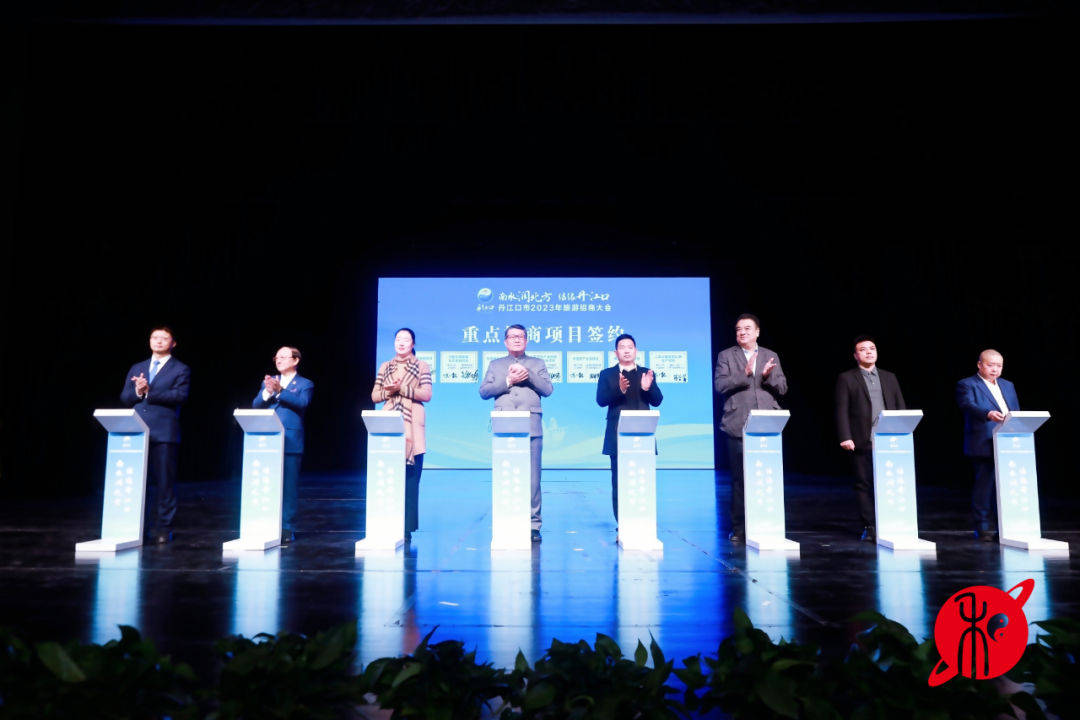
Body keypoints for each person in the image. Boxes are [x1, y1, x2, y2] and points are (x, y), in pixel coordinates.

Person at [713, 314, 787, 544]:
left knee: (767, 477)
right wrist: (744, 374)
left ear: (757, 332)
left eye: (747, 328)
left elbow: (783, 388)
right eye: (738, 329)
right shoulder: (726, 355)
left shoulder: (770, 355)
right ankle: (739, 528)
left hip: (767, 423)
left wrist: (767, 376)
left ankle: (767, 524)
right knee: (740, 479)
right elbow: (720, 385)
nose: (742, 332)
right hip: (737, 423)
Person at [479, 324, 553, 542]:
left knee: (533, 478)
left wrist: (528, 376)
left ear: (526, 340)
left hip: (531, 424)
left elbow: (548, 390)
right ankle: (506, 520)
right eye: (512, 337)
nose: (517, 339)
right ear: (505, 341)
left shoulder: (537, 363)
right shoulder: (496, 364)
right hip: (504, 424)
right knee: (505, 475)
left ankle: (533, 524)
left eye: (521, 336)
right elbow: (484, 392)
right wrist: (508, 381)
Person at [119, 326, 191, 544]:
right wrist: (138, 391)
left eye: (164, 338)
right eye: (155, 337)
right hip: (137, 431)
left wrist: (150, 391)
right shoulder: (138, 367)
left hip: (164, 433)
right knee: (136, 482)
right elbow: (125, 397)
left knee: (164, 483)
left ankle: (163, 528)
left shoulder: (180, 368)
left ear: (173, 343)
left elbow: (180, 396)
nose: (158, 341)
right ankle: (137, 527)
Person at [834, 335, 906, 542]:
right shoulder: (847, 378)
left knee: (889, 483)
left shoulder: (889, 377)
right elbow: (841, 409)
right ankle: (870, 525)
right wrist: (845, 436)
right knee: (864, 484)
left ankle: (891, 522)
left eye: (872, 348)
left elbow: (900, 405)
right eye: (863, 349)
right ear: (856, 356)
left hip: (888, 439)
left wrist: (902, 431)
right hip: (861, 438)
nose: (868, 352)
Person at [372, 328, 432, 540]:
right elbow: (375, 396)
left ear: (413, 344)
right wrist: (390, 390)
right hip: (390, 420)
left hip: (413, 425)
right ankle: (388, 522)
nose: (401, 342)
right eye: (398, 339)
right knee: (389, 476)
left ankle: (406, 528)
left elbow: (427, 394)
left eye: (406, 339)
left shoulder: (421, 365)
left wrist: (403, 389)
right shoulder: (385, 366)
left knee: (411, 480)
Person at [596, 333, 663, 523]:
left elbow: (657, 400)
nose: (626, 350)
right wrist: (619, 390)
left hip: (643, 436)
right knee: (619, 481)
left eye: (630, 347)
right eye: (622, 347)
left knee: (643, 480)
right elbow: (601, 400)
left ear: (636, 351)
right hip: (617, 436)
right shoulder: (607, 374)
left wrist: (647, 388)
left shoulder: (646, 373)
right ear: (615, 352)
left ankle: (642, 521)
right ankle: (622, 523)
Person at [955, 349, 1019, 542]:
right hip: (983, 442)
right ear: (979, 365)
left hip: (1007, 442)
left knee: (1007, 487)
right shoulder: (967, 384)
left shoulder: (1008, 385)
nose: (995, 369)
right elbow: (967, 405)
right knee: (985, 486)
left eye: (999, 366)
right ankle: (982, 527)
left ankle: (1005, 528)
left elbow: (1015, 411)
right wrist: (988, 413)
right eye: (991, 365)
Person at [253, 346, 314, 544]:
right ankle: (266, 524)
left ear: (295, 360)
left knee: (288, 487)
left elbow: (302, 403)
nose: (278, 360)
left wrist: (280, 392)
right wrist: (267, 392)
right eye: (276, 357)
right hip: (268, 439)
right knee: (267, 483)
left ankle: (287, 527)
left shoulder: (305, 383)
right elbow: (256, 405)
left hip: (290, 440)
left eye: (283, 357)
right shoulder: (270, 381)